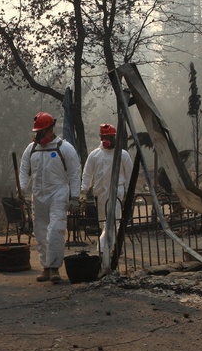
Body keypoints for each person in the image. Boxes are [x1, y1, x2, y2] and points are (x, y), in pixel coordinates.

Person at [18, 111, 81, 283]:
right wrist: (21, 190)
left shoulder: (64, 148)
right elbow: (24, 171)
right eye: (36, 132)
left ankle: (55, 268)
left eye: (41, 131)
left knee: (55, 230)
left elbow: (75, 173)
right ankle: (46, 267)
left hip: (58, 194)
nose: (38, 135)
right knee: (40, 232)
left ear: (50, 129)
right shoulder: (31, 149)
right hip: (38, 196)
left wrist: (75, 196)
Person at [80, 123, 133, 254]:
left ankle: (103, 250)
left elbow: (129, 175)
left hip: (116, 193)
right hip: (100, 194)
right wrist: (83, 191)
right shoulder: (95, 155)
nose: (108, 140)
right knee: (103, 223)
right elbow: (87, 174)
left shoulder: (122, 154)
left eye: (110, 137)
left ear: (115, 137)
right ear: (101, 137)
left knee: (113, 221)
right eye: (105, 137)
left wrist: (128, 192)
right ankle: (114, 246)